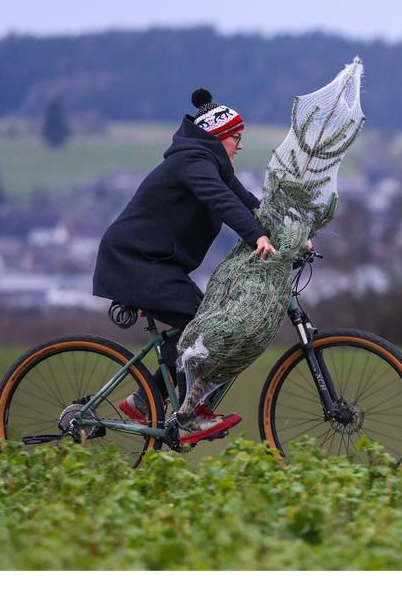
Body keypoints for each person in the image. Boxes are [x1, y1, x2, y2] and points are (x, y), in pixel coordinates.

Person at [93, 88, 278, 444]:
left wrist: (288, 236)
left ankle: (143, 403)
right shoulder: (193, 162)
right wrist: (256, 236)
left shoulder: (208, 163)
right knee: (203, 328)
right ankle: (188, 417)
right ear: (219, 137)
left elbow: (249, 203)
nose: (239, 146)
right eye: (236, 138)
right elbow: (222, 201)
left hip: (154, 264)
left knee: (195, 328)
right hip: (134, 262)